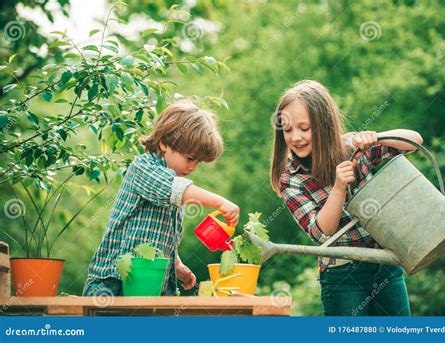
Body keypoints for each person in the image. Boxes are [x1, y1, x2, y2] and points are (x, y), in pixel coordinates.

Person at [270, 80, 423, 316]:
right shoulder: (291, 179)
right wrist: (339, 188)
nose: (296, 137)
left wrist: (378, 137)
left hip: (385, 265)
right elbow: (322, 232)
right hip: (342, 276)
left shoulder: (352, 147)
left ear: (323, 125)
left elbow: (414, 141)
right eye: (288, 130)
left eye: (304, 128)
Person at [83, 101, 239, 296]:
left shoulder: (175, 186)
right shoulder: (143, 168)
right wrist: (220, 202)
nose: (193, 167)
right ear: (165, 143)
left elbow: (161, 237)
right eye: (190, 158)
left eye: (197, 162)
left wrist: (176, 264)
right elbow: (176, 190)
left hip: (150, 284)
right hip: (115, 283)